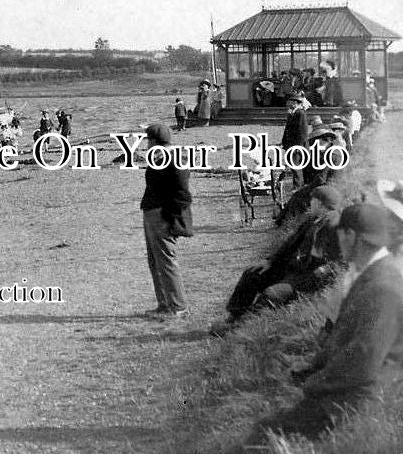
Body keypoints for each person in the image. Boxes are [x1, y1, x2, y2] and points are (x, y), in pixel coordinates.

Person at [245, 203, 403, 444]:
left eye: (339, 235)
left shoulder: (383, 287)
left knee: (264, 432)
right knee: (269, 422)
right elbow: (344, 338)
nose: (337, 244)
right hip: (353, 386)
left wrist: (316, 383)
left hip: (362, 399)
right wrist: (313, 365)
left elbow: (364, 357)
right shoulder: (370, 274)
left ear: (350, 236)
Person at [210, 186, 344, 336]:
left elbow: (342, 260)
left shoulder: (336, 226)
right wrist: (270, 261)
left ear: (321, 204)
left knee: (271, 294)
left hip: (308, 278)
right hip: (292, 268)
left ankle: (240, 328)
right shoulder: (313, 220)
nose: (310, 203)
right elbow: (290, 244)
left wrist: (323, 270)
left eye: (313, 200)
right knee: (252, 274)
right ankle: (234, 317)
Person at [140, 123, 193, 318]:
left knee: (166, 260)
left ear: (154, 140)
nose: (147, 143)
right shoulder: (161, 157)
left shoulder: (173, 158)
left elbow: (183, 194)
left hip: (162, 215)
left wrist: (173, 217)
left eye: (148, 140)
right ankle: (164, 304)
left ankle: (178, 307)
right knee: (156, 261)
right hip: (153, 212)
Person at [281, 95, 308, 188]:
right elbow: (287, 129)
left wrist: (299, 146)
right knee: (293, 166)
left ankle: (298, 187)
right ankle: (297, 186)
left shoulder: (301, 114)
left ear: (296, 103)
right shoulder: (292, 113)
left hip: (297, 145)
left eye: (291, 102)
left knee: (296, 166)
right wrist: (284, 142)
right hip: (291, 145)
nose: (289, 104)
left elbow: (303, 132)